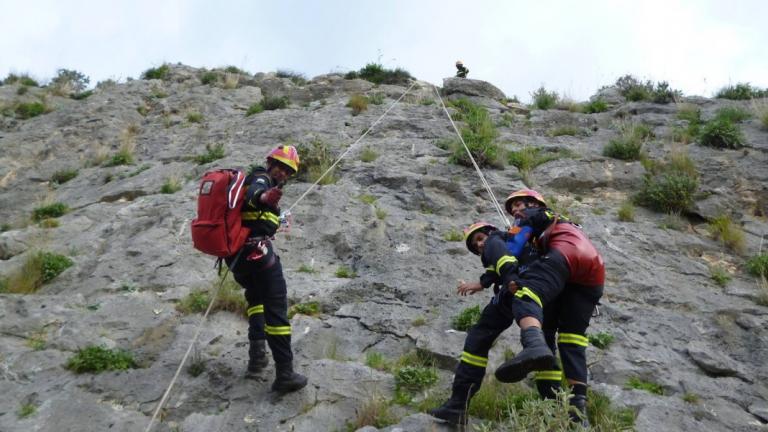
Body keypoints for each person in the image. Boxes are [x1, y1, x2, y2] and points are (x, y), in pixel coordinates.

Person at [495, 189, 605, 424]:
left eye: (519, 205)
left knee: (526, 295)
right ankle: (577, 411)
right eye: (512, 209)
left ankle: (533, 348)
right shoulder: (559, 222)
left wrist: (500, 243)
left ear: (534, 204)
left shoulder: (534, 215)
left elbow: (514, 247)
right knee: (571, 339)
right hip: (590, 271)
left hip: (566, 254)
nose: (516, 211)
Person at [429, 221, 537, 425]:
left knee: (479, 338)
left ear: (490, 232)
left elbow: (505, 262)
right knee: (480, 338)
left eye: (479, 238)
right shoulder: (507, 245)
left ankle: (457, 405)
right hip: (523, 287)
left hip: (516, 288)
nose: (479, 245)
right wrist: (481, 284)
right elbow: (497, 268)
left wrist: (511, 281)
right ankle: (565, 412)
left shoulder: (494, 240)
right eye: (475, 245)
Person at [225, 145, 308, 393]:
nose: (283, 173)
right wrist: (264, 198)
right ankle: (285, 374)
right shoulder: (261, 177)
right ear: (270, 163)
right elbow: (255, 194)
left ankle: (257, 359)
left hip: (238, 259)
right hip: (257, 255)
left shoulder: (264, 184)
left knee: (257, 301)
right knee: (276, 306)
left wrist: (276, 216)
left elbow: (255, 214)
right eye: (280, 167)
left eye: (288, 171)